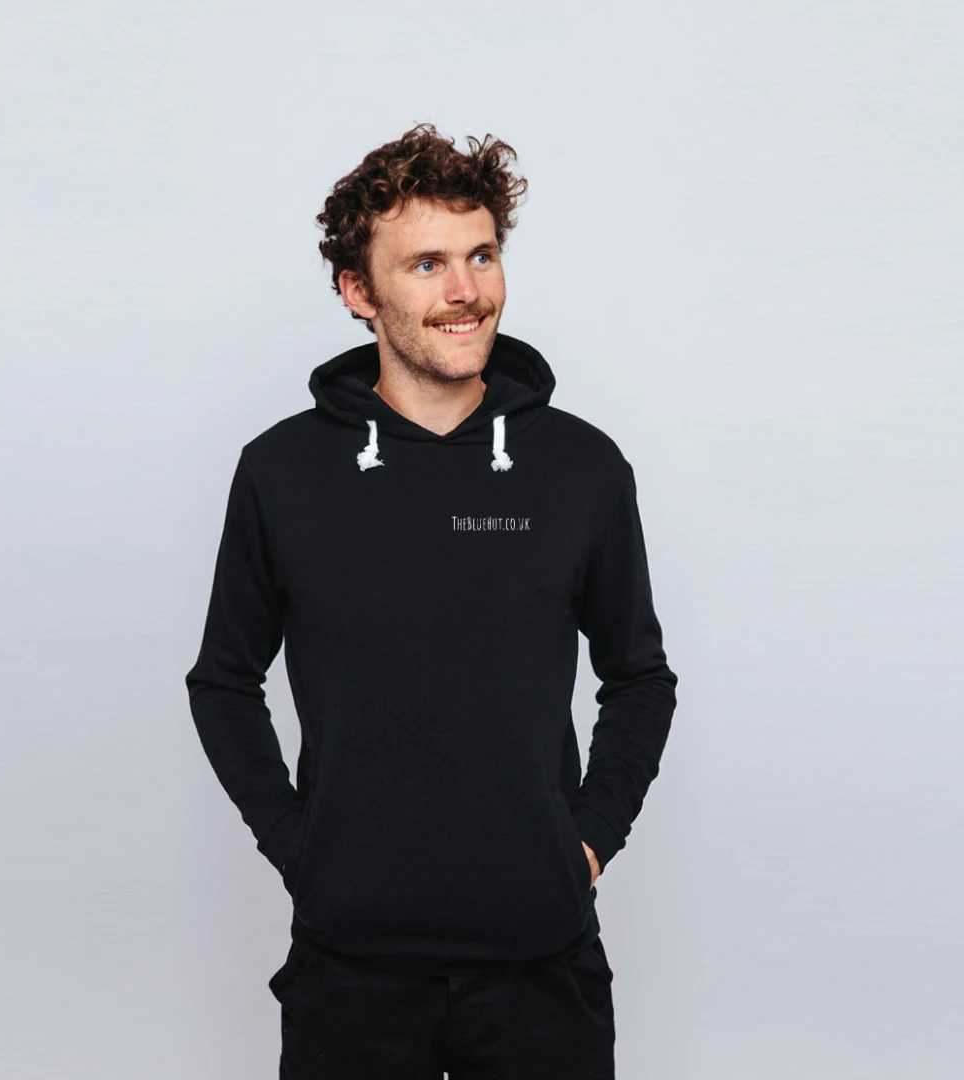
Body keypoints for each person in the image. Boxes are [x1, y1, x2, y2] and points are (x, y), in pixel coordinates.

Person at [184, 123, 678, 1079]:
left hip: (541, 965)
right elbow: (223, 682)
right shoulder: (282, 472)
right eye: (427, 264)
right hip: (350, 971)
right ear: (358, 292)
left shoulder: (582, 468)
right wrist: (301, 849)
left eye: (481, 255)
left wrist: (585, 843)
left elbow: (640, 677)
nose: (465, 291)